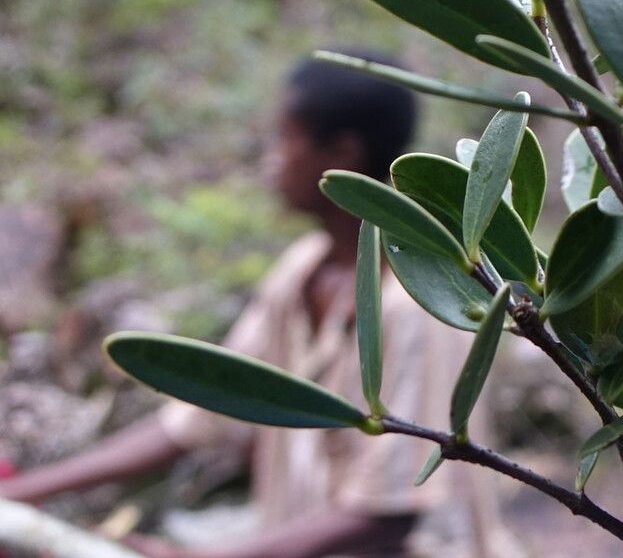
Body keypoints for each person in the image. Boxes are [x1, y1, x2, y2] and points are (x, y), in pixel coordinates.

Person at [2, 56, 507, 558]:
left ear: (342, 154)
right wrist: (27, 492)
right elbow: (204, 411)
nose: (271, 157)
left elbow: (389, 515)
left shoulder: (416, 308)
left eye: (285, 138)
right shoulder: (300, 271)